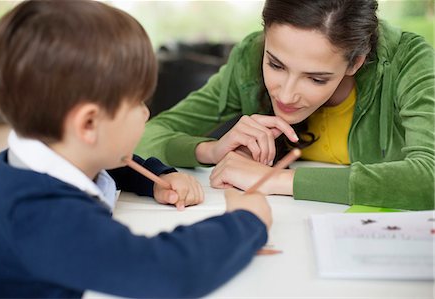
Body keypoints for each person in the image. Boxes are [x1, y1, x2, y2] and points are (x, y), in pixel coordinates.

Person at [0, 1, 272, 298]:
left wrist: (155, 178)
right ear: (88, 123)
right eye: (138, 103)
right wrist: (245, 222)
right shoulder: (43, 217)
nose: (146, 114)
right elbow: (162, 270)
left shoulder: (29, 160)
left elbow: (109, 163)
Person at [136, 0, 435, 211]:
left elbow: (428, 177)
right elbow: (146, 135)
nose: (287, 95)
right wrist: (210, 150)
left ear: (355, 62)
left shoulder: (408, 61)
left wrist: (275, 179)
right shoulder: (249, 56)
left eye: (316, 78)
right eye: (276, 64)